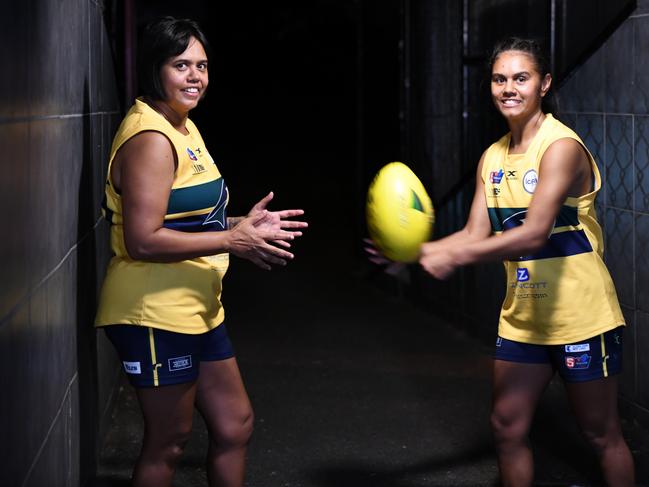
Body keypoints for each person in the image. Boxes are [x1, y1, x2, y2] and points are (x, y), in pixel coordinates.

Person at [94, 16, 307, 487]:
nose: (195, 76)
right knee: (168, 442)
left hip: (199, 309)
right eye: (181, 65)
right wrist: (233, 240)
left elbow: (191, 219)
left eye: (202, 66)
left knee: (235, 424)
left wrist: (242, 225)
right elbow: (143, 238)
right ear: (155, 69)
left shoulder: (183, 126)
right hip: (153, 312)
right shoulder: (150, 137)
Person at [416, 37, 635, 486]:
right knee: (507, 427)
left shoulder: (561, 148)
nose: (508, 88)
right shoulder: (492, 157)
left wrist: (451, 254)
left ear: (544, 84)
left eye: (521, 78)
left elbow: (534, 233)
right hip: (523, 318)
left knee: (600, 435)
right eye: (499, 79)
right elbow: (475, 234)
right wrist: (416, 251)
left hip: (581, 316)